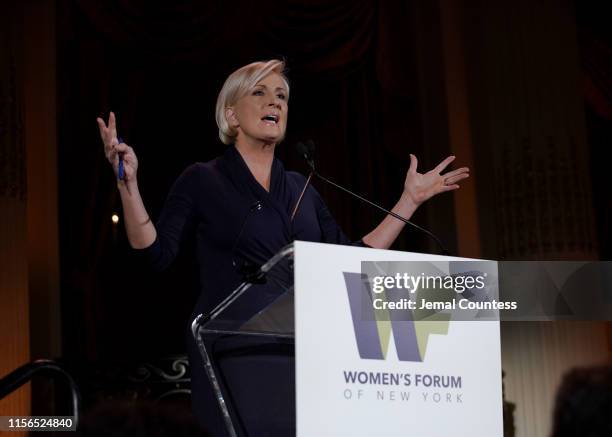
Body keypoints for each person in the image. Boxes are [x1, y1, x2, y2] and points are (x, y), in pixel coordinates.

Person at [96, 59, 469, 436]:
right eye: (259, 93)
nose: (274, 103)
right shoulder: (203, 180)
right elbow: (155, 254)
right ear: (231, 114)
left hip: (301, 352)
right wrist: (129, 186)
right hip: (232, 350)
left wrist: (409, 201)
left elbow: (350, 261)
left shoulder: (302, 188)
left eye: (281, 96)